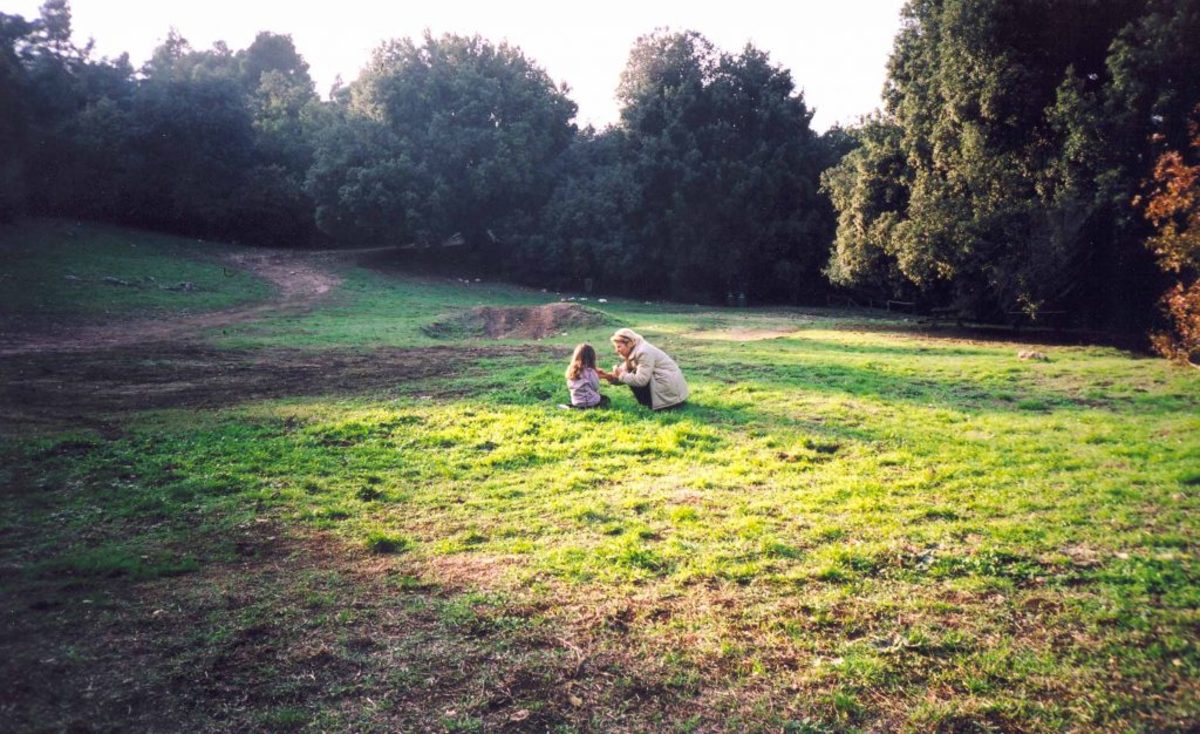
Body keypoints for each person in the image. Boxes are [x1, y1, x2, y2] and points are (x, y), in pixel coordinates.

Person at [597, 328, 689, 410]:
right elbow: (624, 372)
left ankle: (653, 405)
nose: (616, 350)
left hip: (670, 392)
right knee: (631, 375)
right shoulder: (634, 350)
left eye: (619, 347)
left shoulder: (643, 352)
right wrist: (607, 376)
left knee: (634, 375)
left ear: (629, 343)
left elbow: (641, 380)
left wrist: (621, 374)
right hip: (667, 387)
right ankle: (650, 403)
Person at [563, 343, 609, 409]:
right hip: (590, 402)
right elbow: (596, 387)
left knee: (580, 398)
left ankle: (574, 406)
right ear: (592, 358)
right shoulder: (590, 371)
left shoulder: (571, 370)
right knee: (605, 399)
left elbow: (570, 386)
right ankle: (587, 406)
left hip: (576, 401)